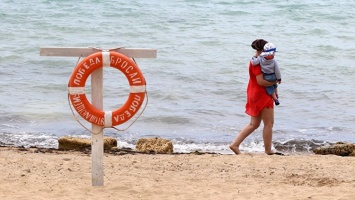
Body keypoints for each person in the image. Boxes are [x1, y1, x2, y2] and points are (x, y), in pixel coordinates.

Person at [229, 39, 281, 155]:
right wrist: (275, 83)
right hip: (261, 95)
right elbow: (261, 82)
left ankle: (235, 145)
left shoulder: (255, 61)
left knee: (254, 124)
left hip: (253, 93)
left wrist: (274, 85)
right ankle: (268, 150)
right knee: (269, 123)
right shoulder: (259, 64)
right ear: (264, 50)